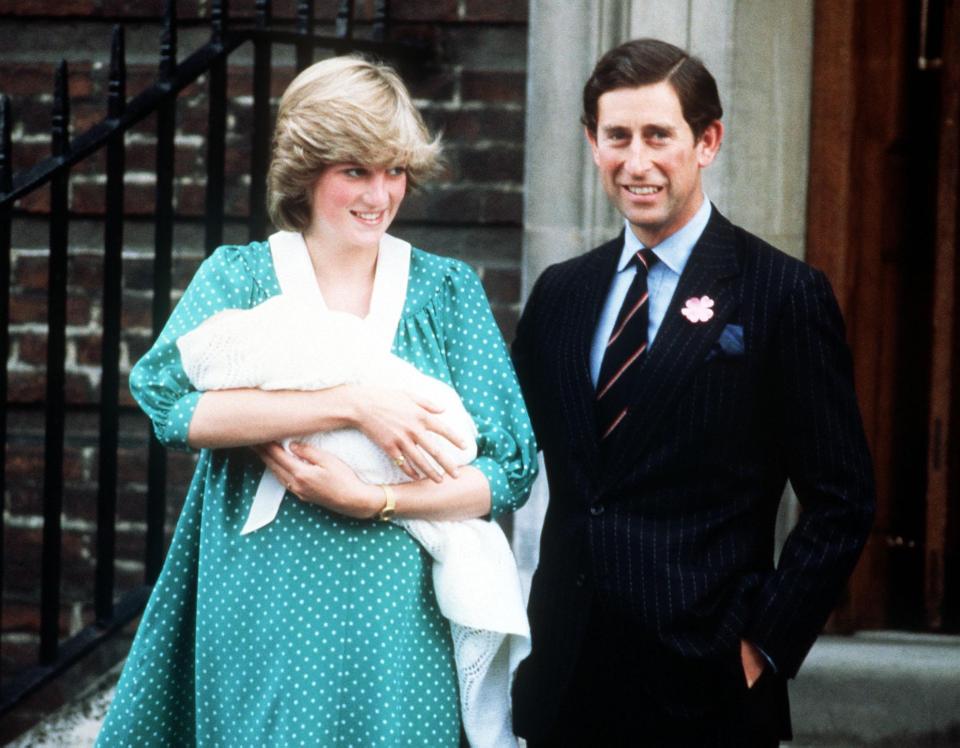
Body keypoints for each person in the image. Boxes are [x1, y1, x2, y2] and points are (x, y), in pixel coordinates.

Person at [97, 55, 537, 747]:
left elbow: (509, 469)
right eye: (354, 170)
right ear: (307, 170)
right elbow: (171, 407)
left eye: (393, 170)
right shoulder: (242, 278)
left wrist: (376, 501)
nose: (379, 193)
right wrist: (353, 404)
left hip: (403, 617)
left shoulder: (445, 291)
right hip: (266, 600)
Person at [510, 38, 875, 747]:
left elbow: (843, 500)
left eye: (658, 136)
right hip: (567, 682)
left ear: (707, 141)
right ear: (591, 142)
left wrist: (761, 647)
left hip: (706, 691)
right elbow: (506, 450)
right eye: (617, 136)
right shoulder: (562, 293)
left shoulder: (781, 294)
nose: (636, 161)